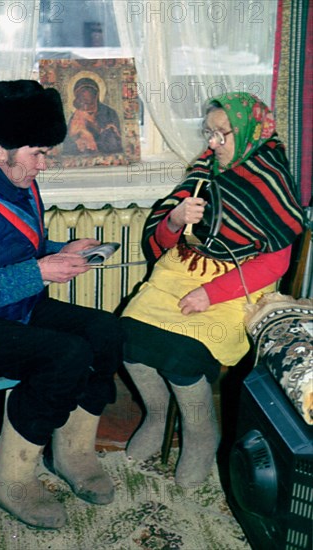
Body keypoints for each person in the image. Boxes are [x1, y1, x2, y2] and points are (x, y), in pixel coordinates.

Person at [0, 80, 124, 529]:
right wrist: (40, 272)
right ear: (0, 148)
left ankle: (72, 454)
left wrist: (64, 249)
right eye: (38, 152)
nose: (44, 162)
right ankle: (9, 478)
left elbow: (12, 246)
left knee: (107, 331)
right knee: (65, 355)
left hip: (17, 304)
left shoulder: (15, 173)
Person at [120, 92, 304, 487]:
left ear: (252, 132)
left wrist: (210, 294)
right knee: (129, 339)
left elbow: (275, 263)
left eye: (223, 135)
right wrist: (174, 218)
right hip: (183, 269)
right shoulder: (204, 170)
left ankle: (201, 433)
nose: (213, 144)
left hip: (240, 283)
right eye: (209, 134)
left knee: (182, 355)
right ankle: (156, 413)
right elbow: (163, 241)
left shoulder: (271, 179)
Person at [63, 77, 123, 155]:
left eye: (87, 94)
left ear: (95, 95)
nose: (84, 98)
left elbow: (115, 140)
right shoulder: (75, 116)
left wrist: (96, 128)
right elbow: (68, 142)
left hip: (105, 152)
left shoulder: (109, 113)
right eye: (81, 95)